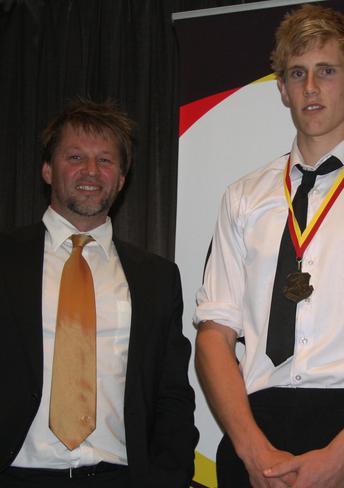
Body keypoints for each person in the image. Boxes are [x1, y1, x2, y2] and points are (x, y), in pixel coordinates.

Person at [194, 5, 344, 488]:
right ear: (282, 89)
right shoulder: (243, 195)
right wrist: (252, 451)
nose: (311, 88)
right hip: (256, 427)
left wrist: (343, 456)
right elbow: (214, 334)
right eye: (297, 74)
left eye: (327, 72)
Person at [0, 98, 198, 487]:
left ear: (122, 178)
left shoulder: (157, 278)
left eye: (106, 161)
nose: (91, 171)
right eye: (75, 156)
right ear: (47, 169)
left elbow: (172, 394)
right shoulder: (5, 260)